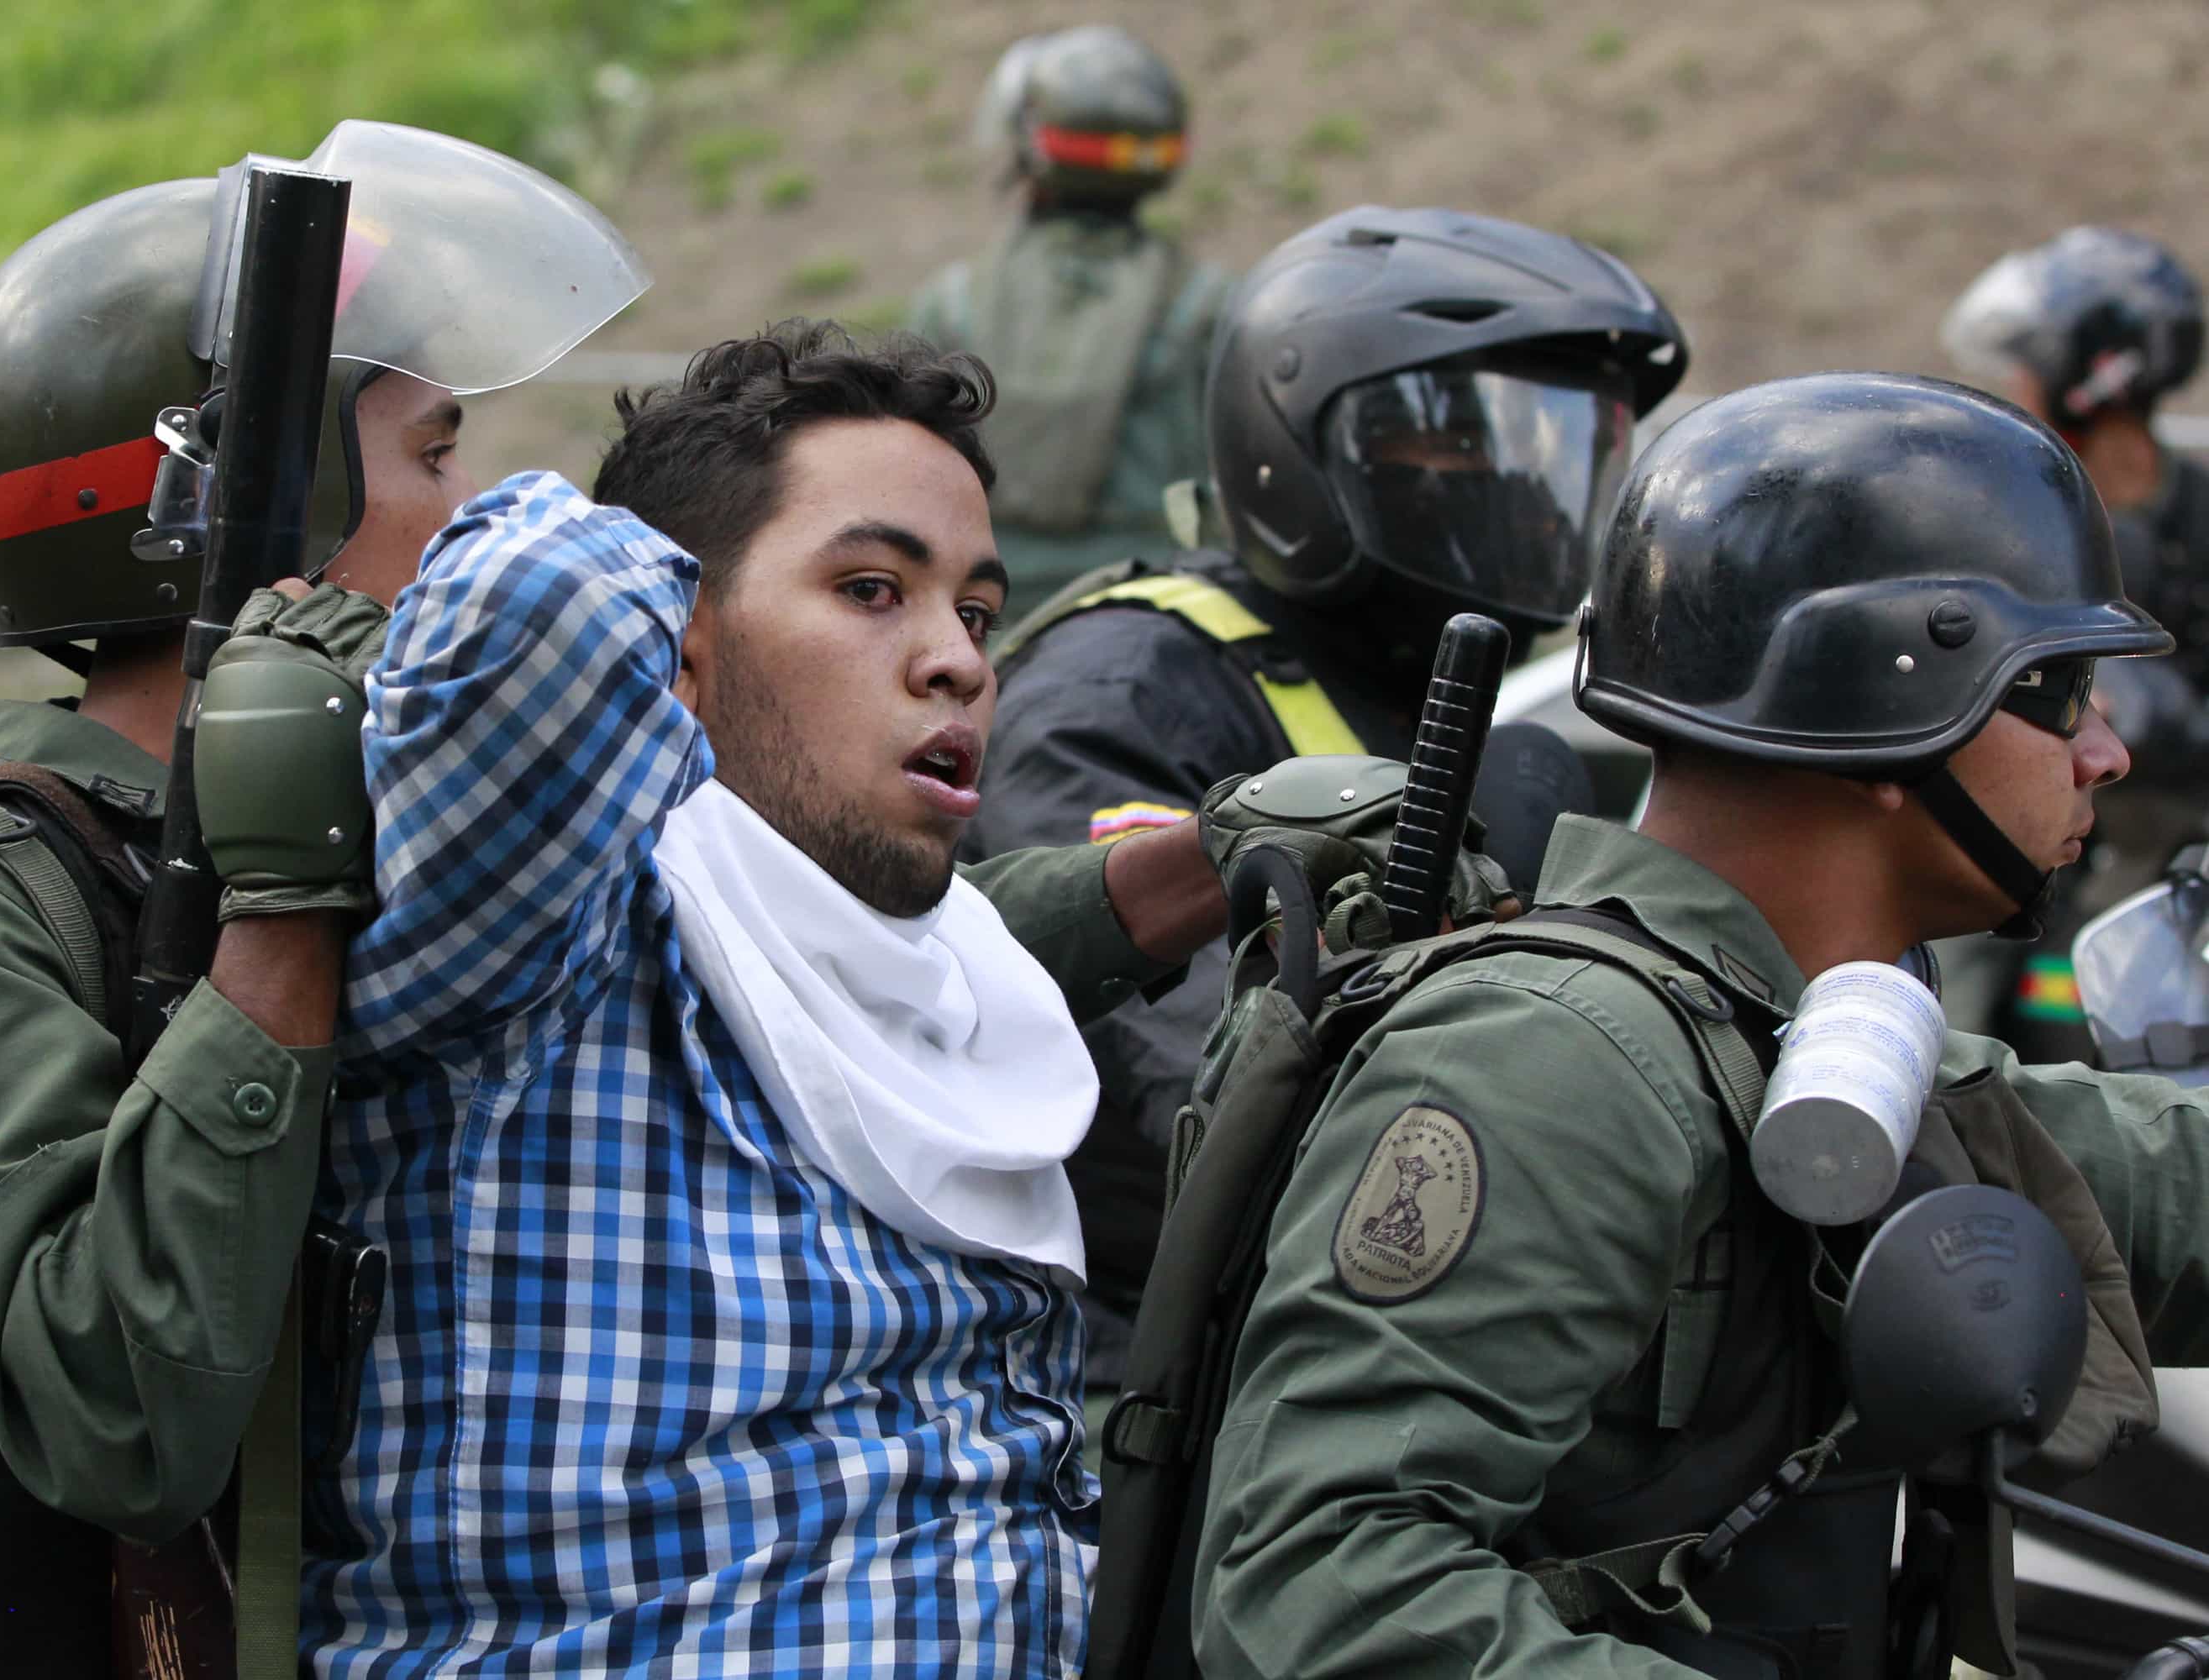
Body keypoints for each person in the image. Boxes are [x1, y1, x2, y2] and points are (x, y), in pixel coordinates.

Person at [301, 320, 1402, 1674]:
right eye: (874, 588)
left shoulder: (921, 966)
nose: (961, 661)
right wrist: (667, 574)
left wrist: (1215, 856)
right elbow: (551, 598)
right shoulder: (535, 931)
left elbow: (972, 927)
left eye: (979, 613)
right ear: (678, 642)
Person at [0, 125, 645, 1677]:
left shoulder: (376, 851)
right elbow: (117, 1410)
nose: (476, 518)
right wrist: (278, 909)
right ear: (259, 515)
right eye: (433, 457)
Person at [1196, 371, 2209, 1677]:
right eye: (2061, 687)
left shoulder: (1789, 1044)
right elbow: (1317, 1591)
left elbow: (2158, 1176)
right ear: (1889, 699)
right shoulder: (1550, 1062)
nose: (2105, 753)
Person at [963, 204, 1687, 1431]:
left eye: (1564, 446)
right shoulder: (1133, 688)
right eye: (1464, 445)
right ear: (1296, 446)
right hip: (1124, 1379)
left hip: (1374, 1320)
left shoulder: (1454, 694)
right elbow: (1210, 1098)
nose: (1523, 484)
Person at [1943, 227, 2209, 1053]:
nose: (2017, 386)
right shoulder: (2013, 521)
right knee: (1951, 1025)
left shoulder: (2194, 517)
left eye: (2030, 363)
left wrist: (2173, 720)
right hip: (2034, 864)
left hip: (2172, 880)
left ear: (2087, 374)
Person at [907, 24, 1235, 618]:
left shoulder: (950, 301)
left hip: (983, 622)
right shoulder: (1208, 303)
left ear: (1029, 143)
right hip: (1153, 616)